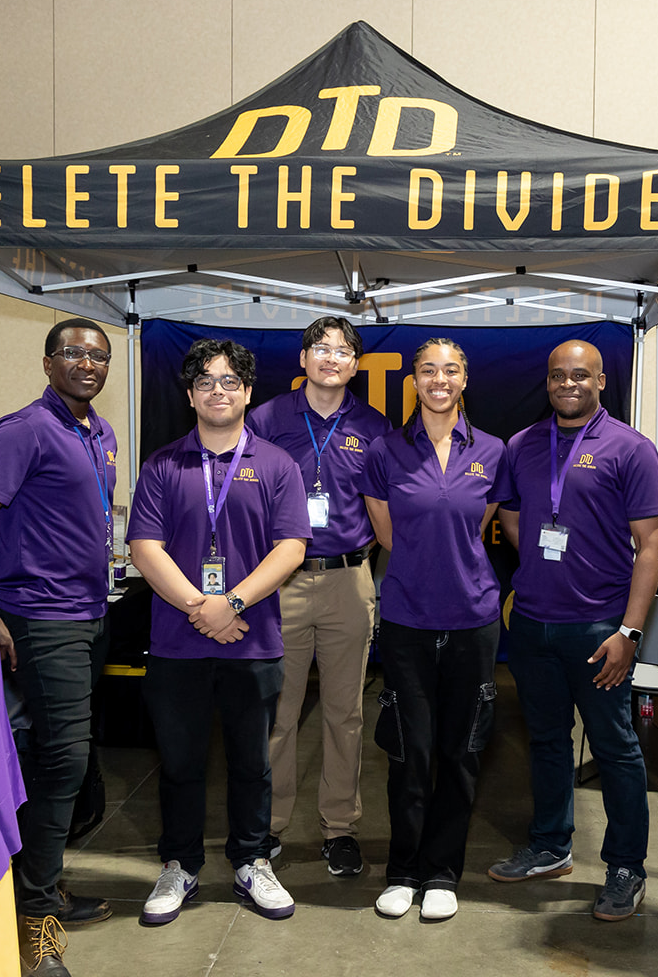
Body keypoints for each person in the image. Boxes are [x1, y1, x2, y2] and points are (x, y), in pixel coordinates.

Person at [0, 318, 120, 977]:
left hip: (89, 616)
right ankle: (34, 922)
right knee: (62, 763)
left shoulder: (98, 431)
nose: (88, 363)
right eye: (74, 353)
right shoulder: (23, 428)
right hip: (41, 617)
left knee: (68, 760)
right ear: (48, 361)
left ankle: (41, 882)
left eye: (99, 355)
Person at [127, 339, 309, 927]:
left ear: (249, 392)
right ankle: (179, 864)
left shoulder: (277, 465)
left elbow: (292, 546)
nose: (218, 391)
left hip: (252, 640)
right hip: (178, 642)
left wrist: (230, 603)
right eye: (205, 381)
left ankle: (252, 860)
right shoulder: (162, 465)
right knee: (179, 762)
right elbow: (144, 547)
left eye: (230, 381)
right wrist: (198, 608)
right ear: (189, 394)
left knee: (252, 763)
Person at [488, 339, 658, 922]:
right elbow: (510, 515)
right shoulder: (522, 445)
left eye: (581, 375)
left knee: (616, 749)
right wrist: (545, 565)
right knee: (544, 741)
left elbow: (652, 544)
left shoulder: (631, 449)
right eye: (559, 376)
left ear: (600, 382)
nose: (569, 384)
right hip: (534, 621)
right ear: (547, 382)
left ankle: (625, 868)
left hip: (599, 629)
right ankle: (549, 845)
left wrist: (630, 632)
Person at [361, 338, 511, 922]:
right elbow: (390, 536)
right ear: (415, 382)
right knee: (408, 749)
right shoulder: (385, 450)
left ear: (464, 380)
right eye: (428, 371)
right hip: (407, 619)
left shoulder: (493, 451)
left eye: (450, 371)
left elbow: (476, 530)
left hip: (474, 619)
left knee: (461, 750)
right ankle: (403, 871)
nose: (439, 380)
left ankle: (444, 871)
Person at [247, 316, 391, 877]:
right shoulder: (265, 419)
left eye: (343, 350)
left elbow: (387, 512)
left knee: (345, 713)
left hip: (349, 581)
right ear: (302, 359)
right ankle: (268, 827)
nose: (331, 358)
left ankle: (339, 828)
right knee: (278, 715)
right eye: (320, 348)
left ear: (356, 364)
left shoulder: (376, 428)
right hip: (278, 582)